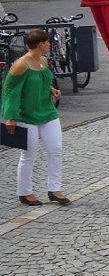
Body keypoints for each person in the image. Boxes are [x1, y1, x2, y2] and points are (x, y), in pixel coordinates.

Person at [3, 29, 68, 207]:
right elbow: (9, 90)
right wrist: (10, 117)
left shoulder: (43, 60)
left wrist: (51, 90)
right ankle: (25, 192)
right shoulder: (20, 64)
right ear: (40, 45)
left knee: (55, 149)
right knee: (28, 155)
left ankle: (54, 189)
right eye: (47, 42)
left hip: (47, 111)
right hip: (26, 115)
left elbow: (41, 80)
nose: (49, 45)